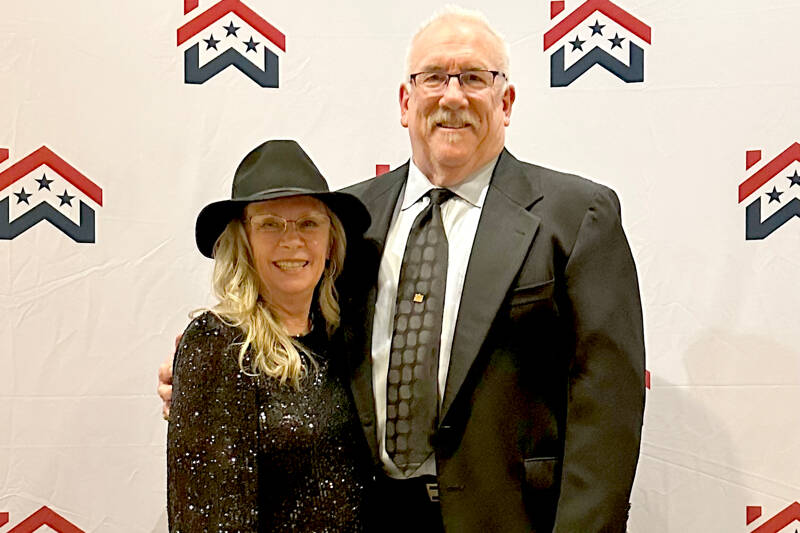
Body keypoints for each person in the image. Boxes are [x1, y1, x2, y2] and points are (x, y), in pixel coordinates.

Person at [161, 7, 645, 532]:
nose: (452, 96)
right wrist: (213, 379)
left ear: (505, 102)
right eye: (433, 77)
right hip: (367, 519)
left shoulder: (575, 216)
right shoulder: (350, 221)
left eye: (474, 78)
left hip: (512, 520)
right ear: (405, 102)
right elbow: (298, 332)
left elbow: (608, 410)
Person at [166, 140, 374, 532]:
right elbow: (207, 516)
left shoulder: (344, 338)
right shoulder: (218, 344)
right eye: (270, 224)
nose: (291, 240)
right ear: (243, 241)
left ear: (331, 241)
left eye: (308, 223)